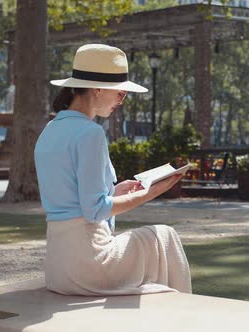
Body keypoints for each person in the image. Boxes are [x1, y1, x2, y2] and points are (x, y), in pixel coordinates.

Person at [34, 44, 191, 296]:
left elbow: (71, 197)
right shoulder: (90, 133)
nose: (122, 100)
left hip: (58, 269)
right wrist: (154, 191)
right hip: (89, 266)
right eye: (120, 93)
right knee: (164, 235)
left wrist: (114, 191)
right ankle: (182, 316)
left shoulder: (50, 130)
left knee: (156, 238)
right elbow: (95, 210)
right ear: (97, 89)